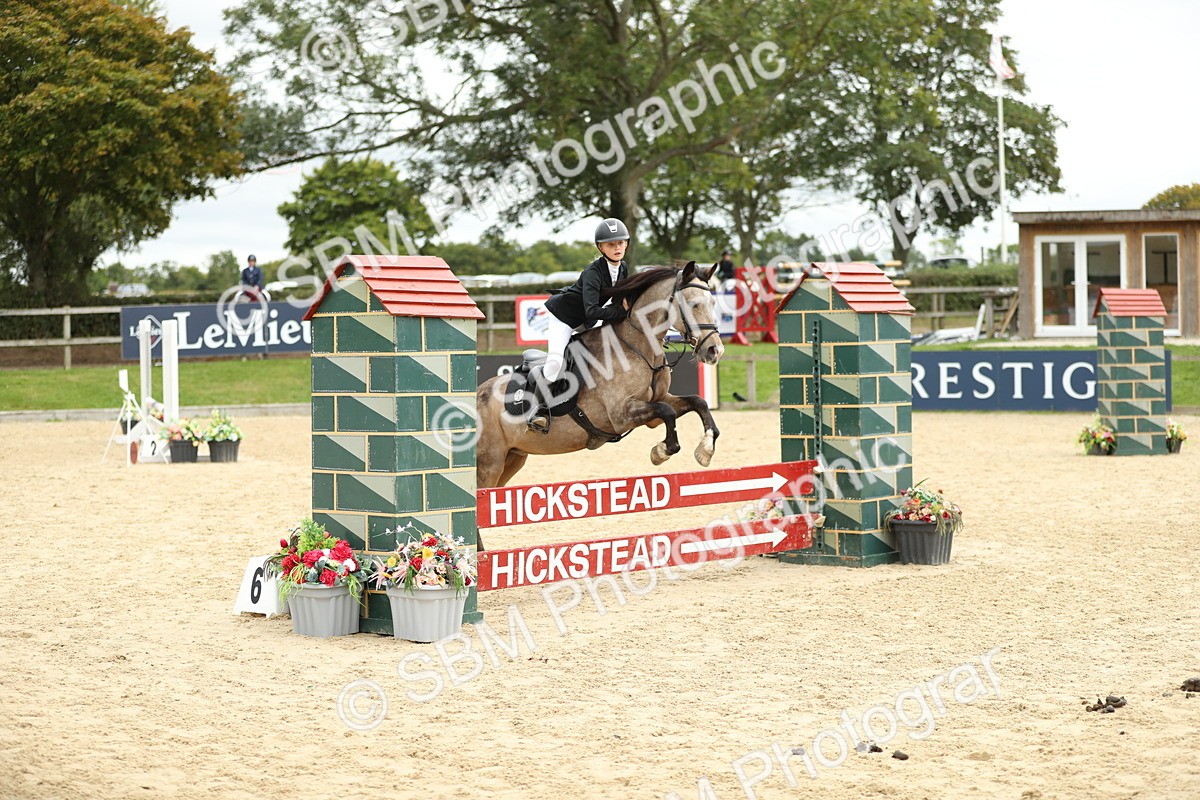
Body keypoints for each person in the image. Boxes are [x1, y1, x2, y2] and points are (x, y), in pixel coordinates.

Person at [529, 218, 631, 432]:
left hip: (588, 320)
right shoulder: (593, 272)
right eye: (611, 244)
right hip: (564, 318)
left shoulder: (623, 268)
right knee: (556, 362)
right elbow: (592, 310)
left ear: (626, 244)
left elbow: (615, 302)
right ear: (600, 247)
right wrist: (621, 311)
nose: (617, 248)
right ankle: (538, 410)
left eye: (620, 243)